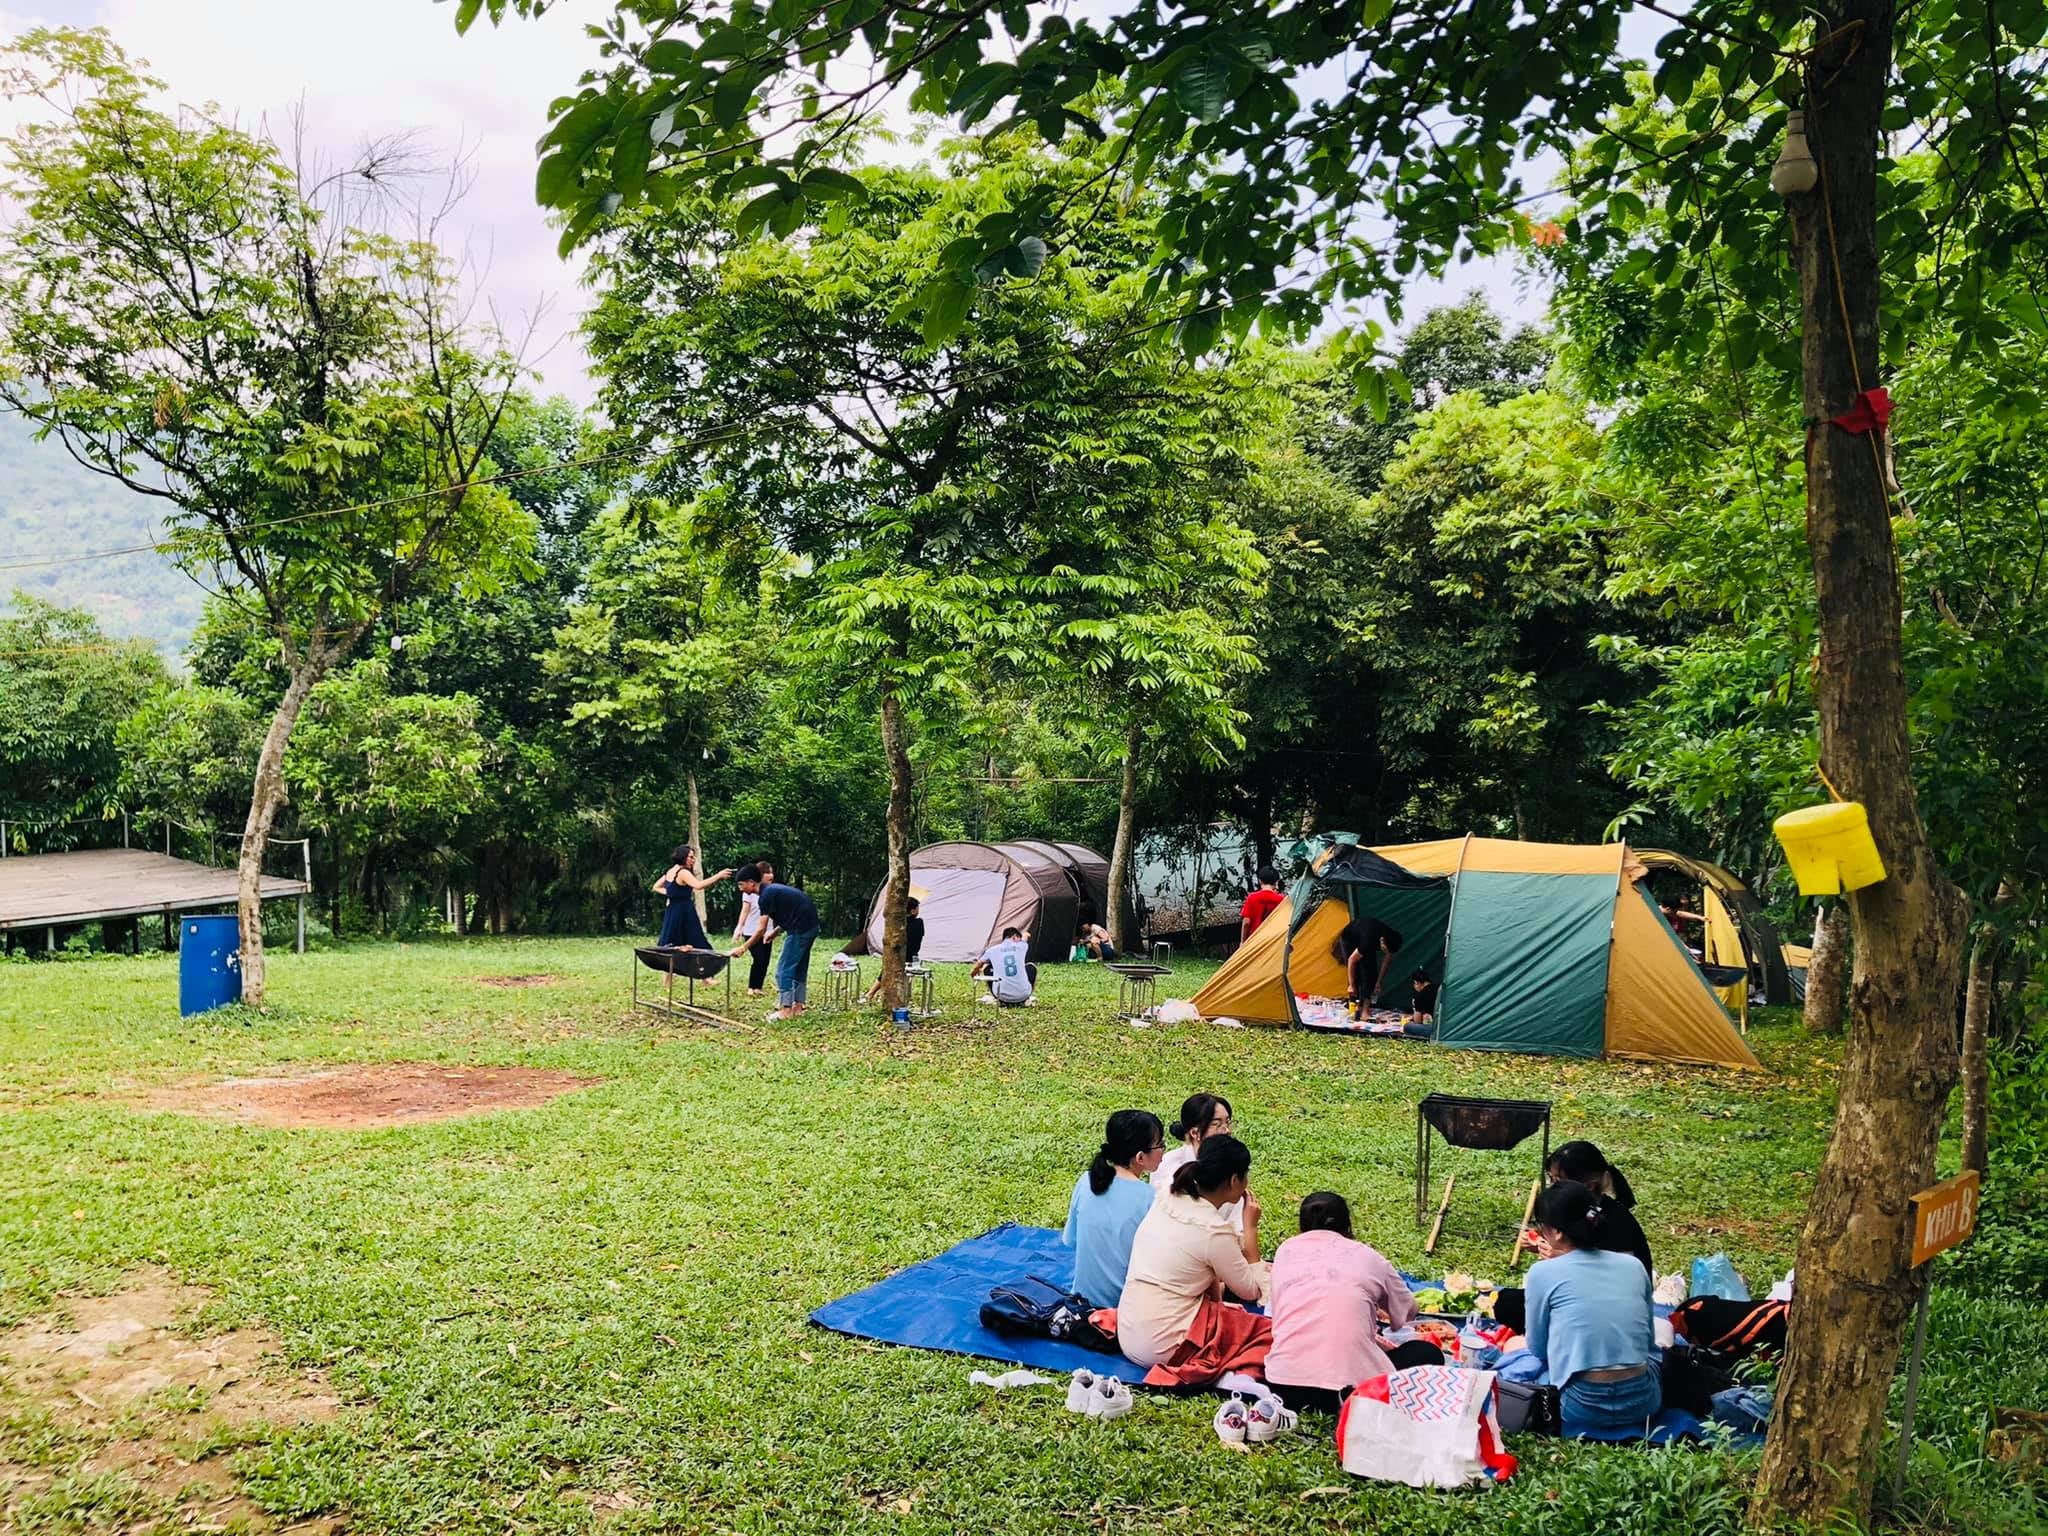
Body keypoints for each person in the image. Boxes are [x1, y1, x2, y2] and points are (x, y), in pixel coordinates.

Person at [1263, 1192, 1444, 1413]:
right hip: (1354, 1391)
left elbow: (1277, 1312)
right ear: (1348, 1225)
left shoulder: (1285, 1251)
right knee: (1426, 1353)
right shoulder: (1369, 1257)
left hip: (1284, 1386)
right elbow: (1408, 1313)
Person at [1115, 1134, 1271, 1386]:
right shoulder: (1214, 1231)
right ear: (1234, 1180)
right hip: (1165, 1347)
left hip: (1129, 1331)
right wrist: (1250, 1229)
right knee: (1266, 1333)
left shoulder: (1167, 1196)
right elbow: (1251, 1290)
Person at [1525, 1181, 1660, 1439]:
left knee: (1519, 1361)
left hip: (1577, 1406)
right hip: (1644, 1402)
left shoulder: (1542, 1273)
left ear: (1555, 1232)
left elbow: (1538, 1349)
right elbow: (1648, 1342)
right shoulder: (1632, 1266)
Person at [1063, 1109, 1166, 1307]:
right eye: (1160, 1144)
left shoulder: (1086, 1181)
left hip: (1082, 1303)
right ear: (1140, 1158)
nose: (1163, 1150)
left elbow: (1071, 1240)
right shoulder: (1151, 1199)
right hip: (1126, 1311)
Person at [1545, 1141, 1653, 1275]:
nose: (1552, 1187)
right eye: (1551, 1178)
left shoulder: (1617, 1223)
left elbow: (1623, 1277)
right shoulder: (1579, 1211)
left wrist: (1564, 1259)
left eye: (1558, 1181)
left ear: (1589, 1186)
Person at [727, 864, 821, 1020]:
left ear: (751, 882)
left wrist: (743, 948)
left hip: (801, 929)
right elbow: (789, 912)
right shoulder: (772, 891)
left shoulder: (766, 896)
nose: (740, 888)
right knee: (798, 967)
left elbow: (760, 929)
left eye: (741, 884)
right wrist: (775, 932)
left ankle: (786, 1009)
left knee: (783, 970)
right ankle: (798, 1005)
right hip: (811, 926)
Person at [1154, 1092, 1241, 1230]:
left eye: (1228, 1122)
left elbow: (1238, 1223)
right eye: (1216, 1124)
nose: (1226, 1131)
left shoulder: (1233, 1163)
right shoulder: (1169, 1164)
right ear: (1195, 1133)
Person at [652, 845, 732, 950]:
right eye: (691, 857)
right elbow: (698, 885)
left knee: (673, 940)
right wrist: (718, 876)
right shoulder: (683, 872)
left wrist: (672, 894)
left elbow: (656, 887)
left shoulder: (670, 871)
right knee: (694, 939)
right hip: (684, 910)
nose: (693, 860)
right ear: (682, 857)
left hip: (672, 910)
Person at [863, 897, 926, 1003]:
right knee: (896, 971)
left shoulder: (897, 923)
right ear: (913, 910)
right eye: (917, 908)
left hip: (898, 955)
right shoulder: (919, 922)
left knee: (886, 971)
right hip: (912, 957)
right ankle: (901, 995)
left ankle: (871, 993)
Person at [1335, 915, 1404, 1011]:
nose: (1386, 953)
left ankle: (1365, 1007)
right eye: (1385, 950)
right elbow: (1351, 960)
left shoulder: (1392, 939)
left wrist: (1379, 982)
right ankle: (1354, 1004)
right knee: (1357, 973)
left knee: (1370, 972)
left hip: (1366, 935)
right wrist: (1351, 985)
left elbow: (1386, 961)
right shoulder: (1368, 941)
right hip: (1349, 938)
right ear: (1382, 942)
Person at [731, 865, 772, 995]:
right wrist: (739, 927)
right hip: (751, 930)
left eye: (771, 872)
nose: (770, 875)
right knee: (758, 959)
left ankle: (758, 988)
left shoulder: (770, 891)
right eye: (767, 872)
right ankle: (751, 987)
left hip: (767, 930)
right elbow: (745, 910)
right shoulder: (748, 893)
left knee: (765, 960)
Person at [972, 925, 1037, 1006]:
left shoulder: (992, 950)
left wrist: (974, 972)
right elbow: (1025, 937)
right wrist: (1025, 934)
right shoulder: (1022, 946)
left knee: (987, 968)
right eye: (1018, 940)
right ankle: (1026, 998)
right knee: (1031, 967)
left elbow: (979, 963)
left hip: (1001, 996)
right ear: (1014, 937)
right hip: (1022, 996)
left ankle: (996, 997)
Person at [1240, 867, 1284, 943]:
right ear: (1276, 882)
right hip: (1272, 941)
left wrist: (1242, 942)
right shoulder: (1281, 900)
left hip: (1254, 941)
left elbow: (1246, 922)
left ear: (1260, 880)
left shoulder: (1252, 897)